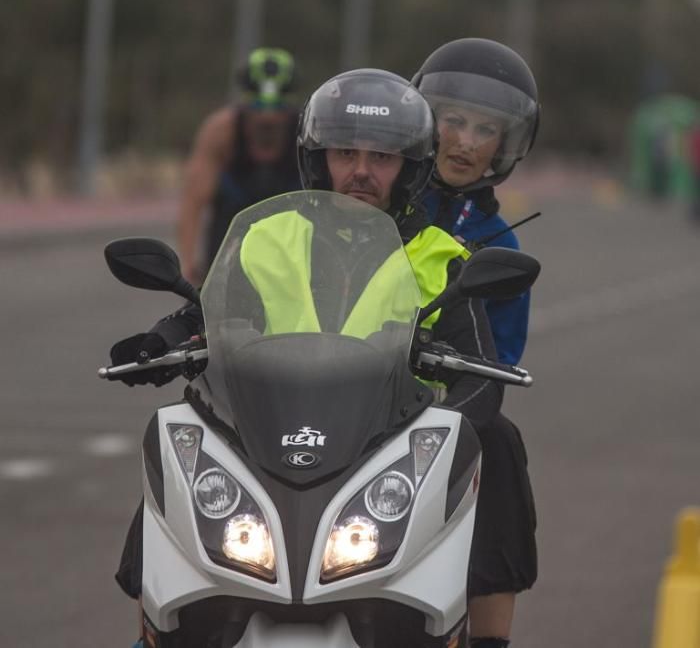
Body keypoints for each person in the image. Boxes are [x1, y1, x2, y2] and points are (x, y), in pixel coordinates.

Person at [111, 69, 515, 647]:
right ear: (316, 158)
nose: (360, 170)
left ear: (412, 168)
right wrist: (165, 337)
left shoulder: (444, 257)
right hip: (264, 431)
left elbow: (481, 377)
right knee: (179, 439)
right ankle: (152, 631)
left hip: (383, 446)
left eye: (382, 157)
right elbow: (214, 313)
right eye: (345, 152)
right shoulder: (266, 235)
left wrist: (443, 430)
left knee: (493, 444)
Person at [412, 38, 540, 645]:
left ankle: (490, 636)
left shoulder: (499, 243)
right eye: (453, 120)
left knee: (501, 442)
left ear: (505, 145)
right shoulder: (375, 203)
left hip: (435, 408)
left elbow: (499, 362)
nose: (464, 140)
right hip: (339, 392)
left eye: (484, 128)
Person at [178, 46, 301, 284]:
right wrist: (187, 263)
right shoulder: (221, 131)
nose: (267, 118)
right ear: (245, 103)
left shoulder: (307, 133)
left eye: (277, 110)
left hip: (290, 260)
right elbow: (192, 202)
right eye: (258, 108)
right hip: (227, 254)